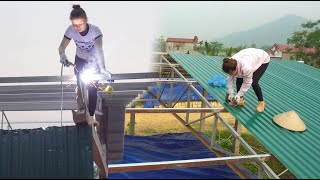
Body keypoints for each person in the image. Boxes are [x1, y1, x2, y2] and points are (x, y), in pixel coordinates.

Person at [58, 4, 112, 126]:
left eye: (80, 24)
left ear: (86, 21)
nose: (77, 27)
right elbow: (61, 46)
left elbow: (99, 51)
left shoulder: (95, 31)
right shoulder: (70, 30)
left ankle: (91, 117)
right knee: (80, 85)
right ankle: (82, 112)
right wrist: (62, 55)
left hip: (94, 61)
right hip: (80, 59)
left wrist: (103, 69)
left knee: (92, 87)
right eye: (74, 24)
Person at [222, 48, 270, 112]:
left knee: (254, 82)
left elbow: (247, 83)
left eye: (230, 73)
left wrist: (238, 95)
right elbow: (230, 80)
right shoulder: (230, 63)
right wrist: (231, 93)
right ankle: (240, 100)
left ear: (236, 68)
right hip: (249, 55)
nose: (230, 74)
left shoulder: (246, 68)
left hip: (262, 58)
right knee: (239, 79)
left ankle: (261, 102)